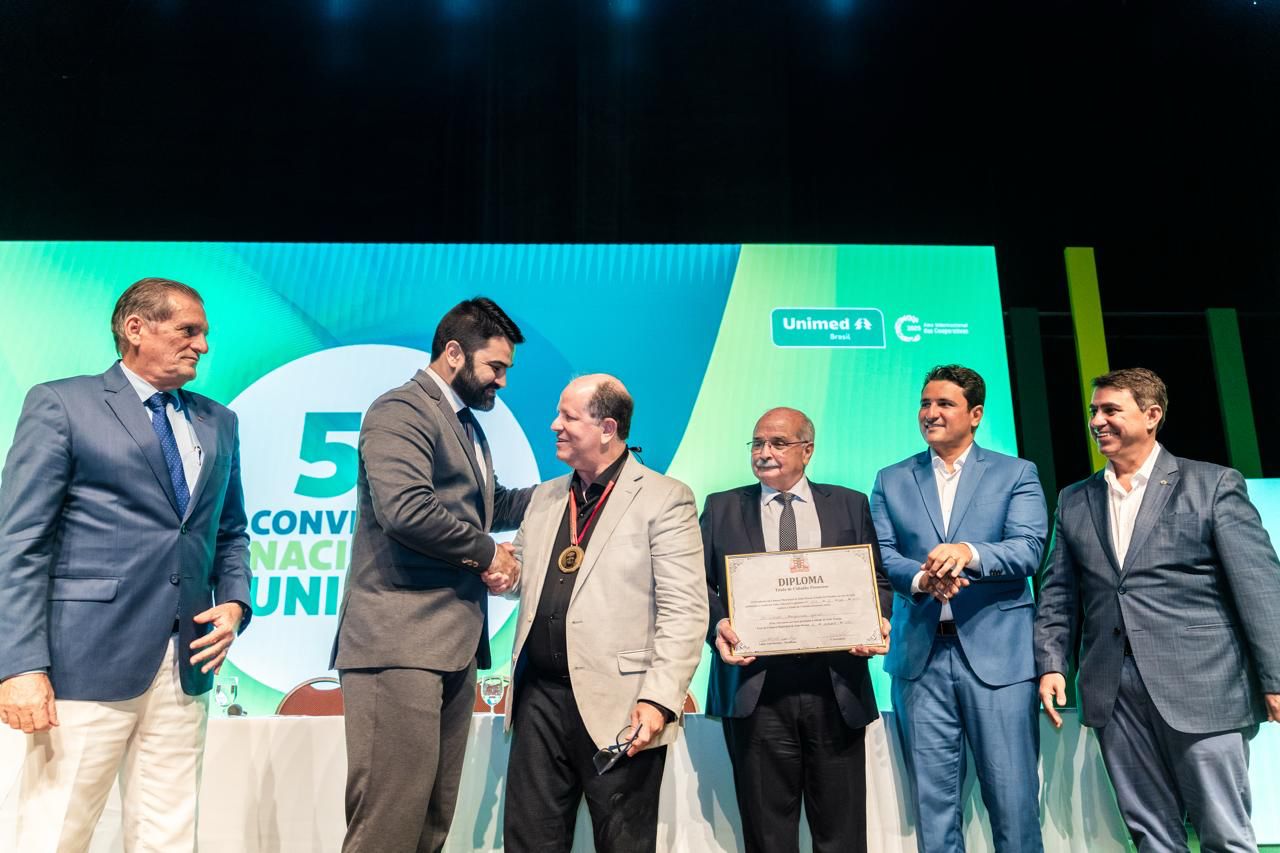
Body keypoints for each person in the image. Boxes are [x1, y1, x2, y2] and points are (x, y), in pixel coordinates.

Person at [0, 277, 251, 852]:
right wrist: (19, 666)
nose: (203, 346)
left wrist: (234, 603)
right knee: (53, 831)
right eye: (189, 330)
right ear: (135, 329)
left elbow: (229, 531)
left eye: (205, 333)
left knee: (170, 833)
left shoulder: (221, 422)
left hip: (186, 663)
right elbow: (20, 542)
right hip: (81, 661)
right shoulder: (61, 403)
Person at [1035, 367, 1280, 852]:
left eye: (1110, 410)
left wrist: (1275, 678)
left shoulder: (1211, 484)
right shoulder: (1075, 498)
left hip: (1203, 686)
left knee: (1225, 834)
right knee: (1150, 835)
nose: (1097, 421)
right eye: (1093, 412)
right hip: (1113, 690)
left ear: (1152, 415)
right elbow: (1058, 592)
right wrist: (1050, 662)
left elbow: (1259, 587)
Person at [331, 296, 534, 853]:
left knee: (430, 824)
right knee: (388, 824)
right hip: (397, 643)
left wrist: (574, 491)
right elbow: (407, 510)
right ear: (453, 353)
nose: (503, 382)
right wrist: (490, 555)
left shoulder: (465, 424)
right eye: (496, 367)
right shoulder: (400, 411)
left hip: (452, 646)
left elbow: (485, 506)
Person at [502, 374, 707, 853]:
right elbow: (526, 576)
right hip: (538, 700)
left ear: (608, 427)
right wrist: (502, 571)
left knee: (623, 844)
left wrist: (658, 700)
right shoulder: (546, 497)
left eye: (569, 417)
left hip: (622, 705)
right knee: (528, 842)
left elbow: (685, 611)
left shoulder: (665, 497)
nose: (554, 424)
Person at [870, 364, 1048, 853]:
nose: (930, 413)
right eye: (925, 404)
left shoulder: (1016, 473)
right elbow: (882, 555)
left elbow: (1030, 547)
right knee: (933, 807)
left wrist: (969, 553)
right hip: (919, 660)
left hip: (1000, 661)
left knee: (1013, 801)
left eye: (944, 404)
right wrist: (924, 578)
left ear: (975, 414)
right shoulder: (891, 478)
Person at [703, 406, 893, 853]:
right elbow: (698, 585)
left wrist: (876, 618)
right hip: (755, 690)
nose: (764, 452)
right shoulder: (722, 506)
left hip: (835, 688)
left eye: (777, 443)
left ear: (807, 451)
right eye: (757, 443)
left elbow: (877, 580)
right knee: (768, 837)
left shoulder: (849, 503)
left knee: (842, 835)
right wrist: (719, 623)